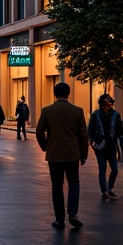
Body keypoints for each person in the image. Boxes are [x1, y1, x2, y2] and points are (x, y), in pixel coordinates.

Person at [35, 81, 88, 230]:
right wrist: (83, 154)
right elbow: (83, 135)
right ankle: (73, 213)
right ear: (68, 93)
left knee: (57, 186)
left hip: (54, 155)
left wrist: (46, 146)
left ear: (55, 94)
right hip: (72, 154)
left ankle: (59, 219)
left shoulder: (47, 110)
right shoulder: (77, 111)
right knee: (74, 183)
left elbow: (39, 131)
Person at [88, 93, 123, 200]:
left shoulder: (115, 115)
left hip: (111, 146)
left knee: (115, 169)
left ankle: (110, 188)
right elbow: (90, 130)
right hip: (100, 145)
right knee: (102, 169)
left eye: (109, 104)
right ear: (101, 105)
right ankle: (104, 190)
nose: (107, 107)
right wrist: (92, 142)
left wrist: (121, 144)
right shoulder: (95, 115)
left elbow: (119, 130)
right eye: (105, 104)